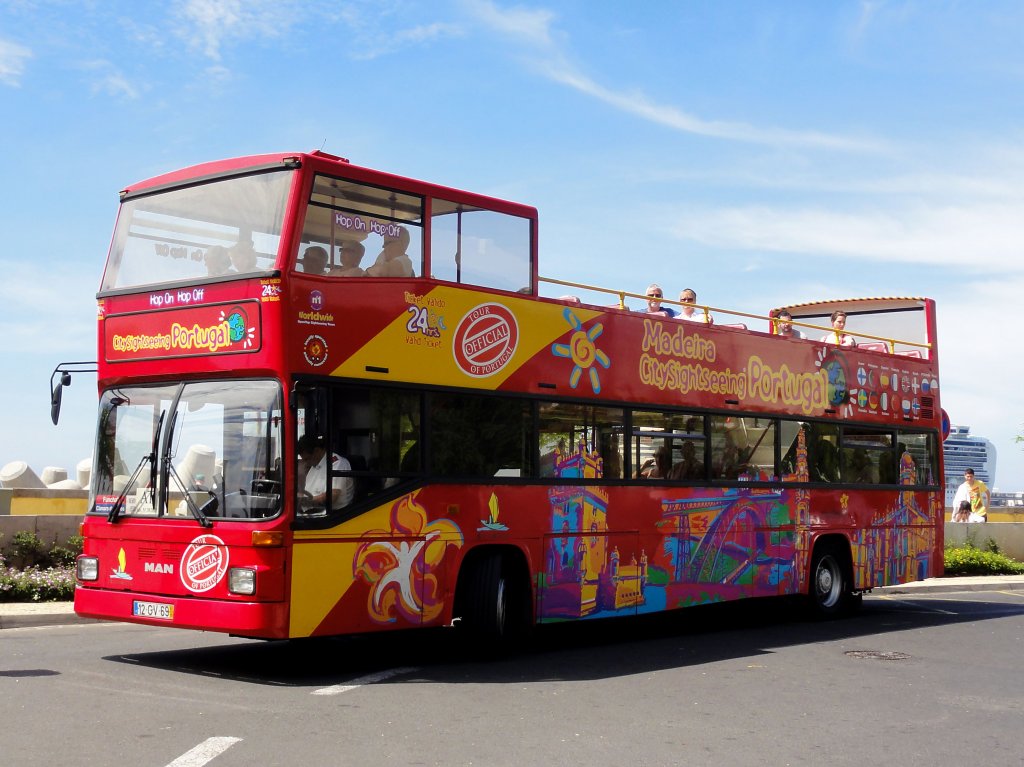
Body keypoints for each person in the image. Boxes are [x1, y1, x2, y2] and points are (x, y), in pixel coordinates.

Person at [296, 433, 353, 510]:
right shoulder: (315, 464)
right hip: (312, 510)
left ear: (317, 451)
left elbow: (332, 496)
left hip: (335, 514)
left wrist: (302, 501)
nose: (305, 462)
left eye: (307, 459)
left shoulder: (337, 463)